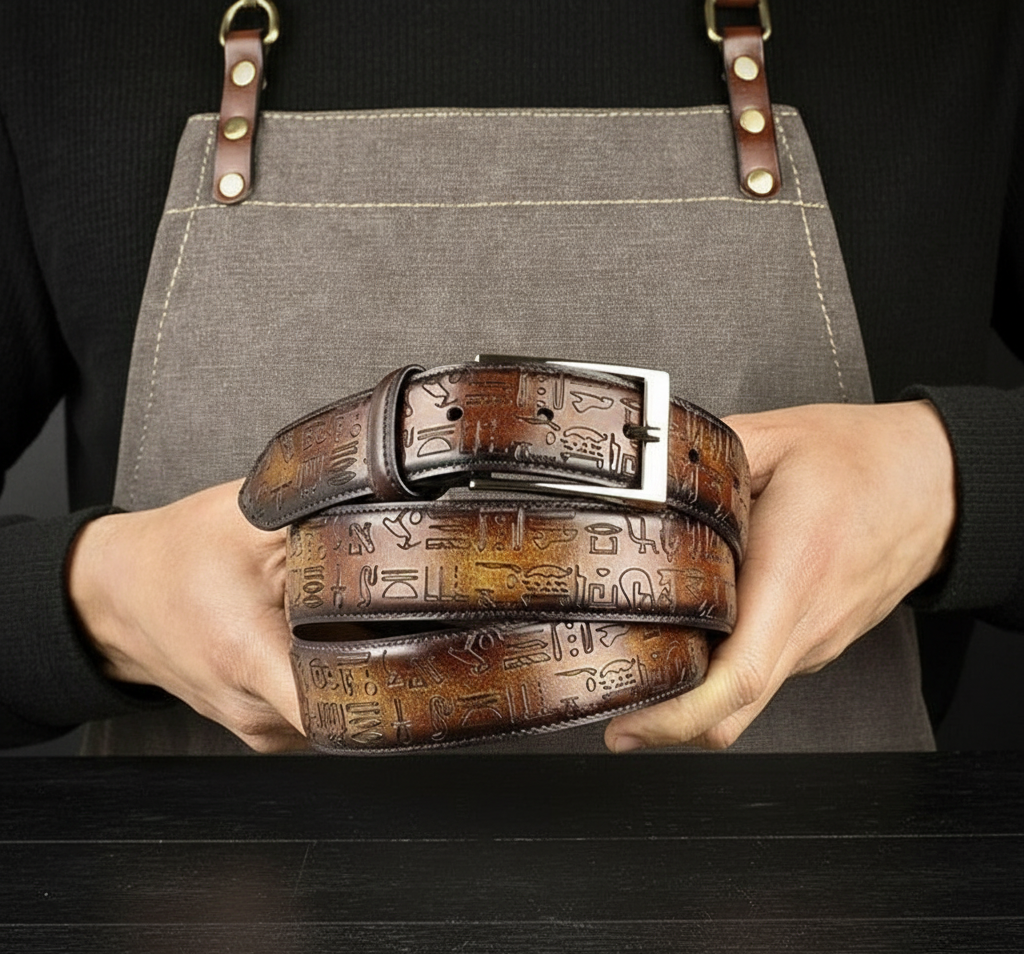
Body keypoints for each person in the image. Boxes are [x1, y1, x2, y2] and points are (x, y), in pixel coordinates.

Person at [1, 0, 1022, 753]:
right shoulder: (64, 35)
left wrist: (953, 482)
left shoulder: (945, 29)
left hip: (823, 949)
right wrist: (100, 601)